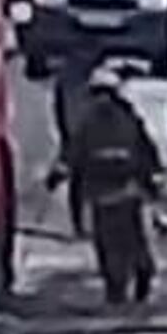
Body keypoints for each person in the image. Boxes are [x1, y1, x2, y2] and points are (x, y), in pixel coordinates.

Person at [68, 66, 162, 304]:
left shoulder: (86, 122)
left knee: (109, 243)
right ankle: (142, 271)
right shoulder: (128, 117)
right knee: (133, 237)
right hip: (128, 190)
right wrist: (151, 182)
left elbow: (74, 154)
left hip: (101, 194)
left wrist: (59, 176)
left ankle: (116, 285)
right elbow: (145, 150)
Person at [48, 46, 101, 235]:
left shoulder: (67, 84)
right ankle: (84, 224)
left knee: (81, 180)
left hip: (80, 137)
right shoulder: (78, 86)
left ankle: (82, 224)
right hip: (85, 138)